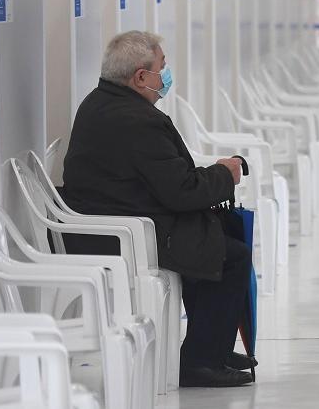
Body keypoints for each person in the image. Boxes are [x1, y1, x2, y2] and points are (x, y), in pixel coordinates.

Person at [60, 31, 253, 388]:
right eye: (162, 67)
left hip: (112, 218)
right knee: (230, 255)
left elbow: (167, 179)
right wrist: (225, 175)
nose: (166, 75)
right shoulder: (138, 120)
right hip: (121, 233)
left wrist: (212, 176)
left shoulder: (100, 102)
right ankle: (201, 361)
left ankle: (212, 347)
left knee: (209, 236)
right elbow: (181, 191)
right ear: (140, 77)